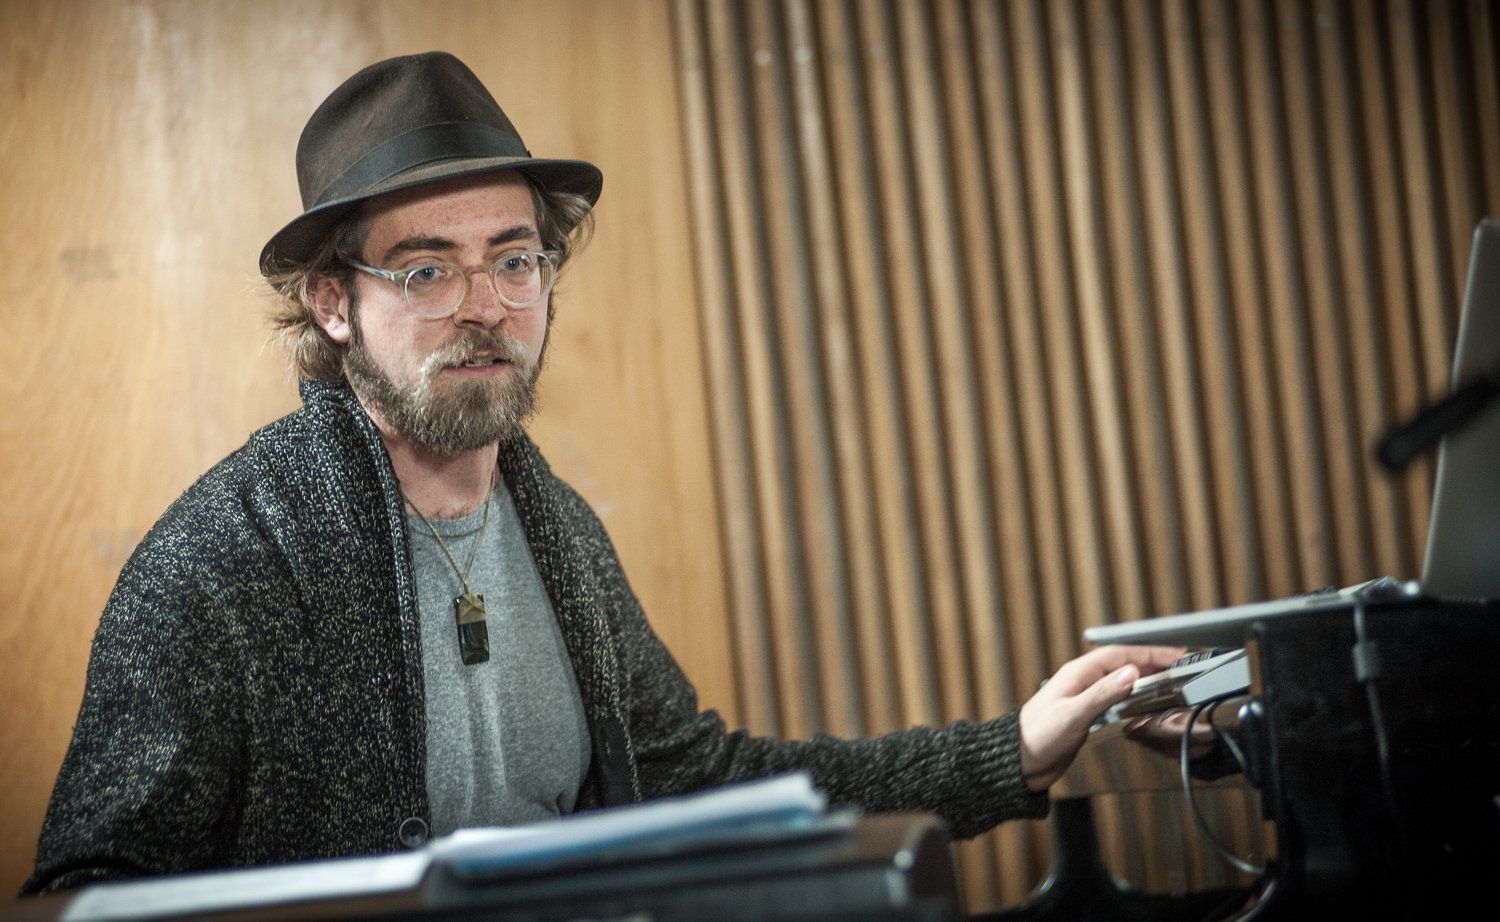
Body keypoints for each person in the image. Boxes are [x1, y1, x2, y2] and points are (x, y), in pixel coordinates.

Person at [24, 52, 1179, 894]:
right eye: (426, 271)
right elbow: (87, 891)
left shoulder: (559, 532)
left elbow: (702, 783)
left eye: (513, 259)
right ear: (334, 303)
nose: (485, 306)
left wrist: (1009, 749)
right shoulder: (220, 563)